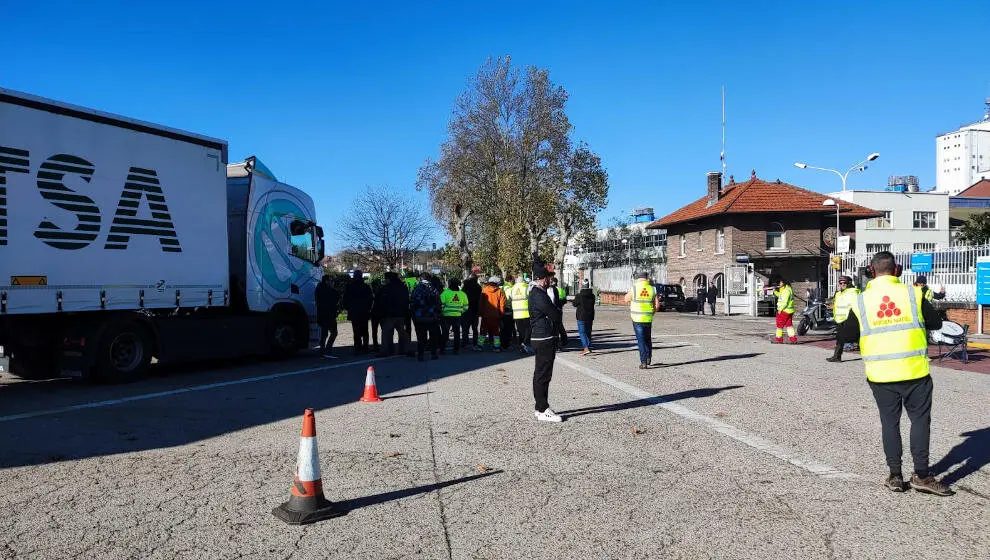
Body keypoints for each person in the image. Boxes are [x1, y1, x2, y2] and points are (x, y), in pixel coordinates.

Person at [837, 251, 952, 496]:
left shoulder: (861, 300)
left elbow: (845, 336)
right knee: (920, 422)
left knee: (890, 423)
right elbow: (936, 323)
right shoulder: (914, 294)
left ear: (871, 270)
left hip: (881, 375)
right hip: (915, 372)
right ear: (897, 270)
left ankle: (895, 476)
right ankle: (922, 475)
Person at [529, 265, 563, 422]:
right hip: (543, 338)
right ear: (542, 279)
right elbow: (554, 314)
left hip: (543, 337)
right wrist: (557, 310)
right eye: (548, 277)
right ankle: (543, 409)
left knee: (541, 374)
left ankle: (539, 407)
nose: (550, 280)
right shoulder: (538, 295)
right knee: (543, 375)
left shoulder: (538, 293)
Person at [624, 271, 660, 369]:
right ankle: (648, 357)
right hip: (648, 318)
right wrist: (651, 313)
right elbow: (657, 306)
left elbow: (626, 299)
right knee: (648, 338)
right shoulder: (653, 289)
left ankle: (643, 362)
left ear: (638, 278)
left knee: (641, 341)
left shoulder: (635, 288)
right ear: (647, 278)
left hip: (637, 318)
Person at [378, 272, 412, 357]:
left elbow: (384, 301)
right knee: (402, 333)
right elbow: (406, 299)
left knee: (386, 333)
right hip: (401, 314)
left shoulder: (387, 288)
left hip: (390, 314)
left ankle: (385, 351)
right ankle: (406, 349)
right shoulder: (403, 287)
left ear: (388, 279)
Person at [410, 274, 442, 361]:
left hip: (420, 317)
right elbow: (439, 303)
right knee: (433, 336)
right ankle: (433, 354)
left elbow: (412, 303)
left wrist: (414, 314)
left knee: (421, 337)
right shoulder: (434, 289)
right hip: (432, 317)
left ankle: (420, 355)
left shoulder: (416, 289)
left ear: (421, 279)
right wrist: (438, 314)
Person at [827, 276, 859, 363]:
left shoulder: (853, 292)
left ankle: (837, 356)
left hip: (849, 317)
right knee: (840, 338)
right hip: (840, 318)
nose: (842, 284)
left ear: (848, 283)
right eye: (840, 283)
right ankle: (836, 356)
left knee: (854, 337)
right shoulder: (838, 293)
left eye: (844, 283)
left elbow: (856, 305)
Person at [342, 269, 373, 355]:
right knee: (365, 330)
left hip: (354, 312)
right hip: (364, 312)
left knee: (356, 330)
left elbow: (345, 299)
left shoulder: (350, 286)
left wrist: (348, 308)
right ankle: (365, 346)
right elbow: (370, 299)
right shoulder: (366, 287)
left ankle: (357, 346)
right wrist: (368, 308)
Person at [439, 277, 467, 355]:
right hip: (457, 316)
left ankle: (442, 349)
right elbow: (466, 306)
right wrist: (460, 312)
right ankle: (456, 350)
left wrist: (443, 312)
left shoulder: (445, 293)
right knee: (457, 333)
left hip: (446, 316)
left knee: (445, 333)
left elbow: (441, 305)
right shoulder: (462, 294)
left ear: (449, 284)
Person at [315, 274, 340, 358]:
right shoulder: (330, 291)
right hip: (329, 315)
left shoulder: (318, 289)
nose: (331, 282)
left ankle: (322, 350)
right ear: (327, 281)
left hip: (321, 314)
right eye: (330, 281)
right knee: (334, 332)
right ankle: (328, 348)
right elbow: (336, 296)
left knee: (324, 333)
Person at [478, 276, 506, 352]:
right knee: (496, 332)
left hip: (485, 315)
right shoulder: (500, 291)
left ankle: (479, 346)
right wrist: (501, 313)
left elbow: (481, 303)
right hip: (495, 315)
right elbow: (502, 304)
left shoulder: (484, 290)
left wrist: (480, 313)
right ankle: (496, 347)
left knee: (483, 331)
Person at [509, 275, 533, 354]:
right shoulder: (526, 287)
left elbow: (510, 299)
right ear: (523, 281)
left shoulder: (512, 288)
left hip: (516, 314)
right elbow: (531, 298)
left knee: (520, 330)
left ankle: (521, 344)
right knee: (528, 330)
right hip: (526, 313)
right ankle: (526, 344)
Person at [571, 278, 596, 355]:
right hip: (590, 316)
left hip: (581, 316)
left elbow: (574, 304)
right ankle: (588, 346)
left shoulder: (579, 295)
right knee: (588, 332)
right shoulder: (592, 295)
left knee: (582, 332)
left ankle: (585, 348)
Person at [461, 267, 482, 349]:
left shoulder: (465, 286)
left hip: (466, 309)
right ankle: (475, 342)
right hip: (475, 309)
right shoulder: (478, 287)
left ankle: (465, 342)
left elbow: (462, 295)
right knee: (475, 328)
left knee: (465, 328)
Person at [772, 276, 797, 344]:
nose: (779, 284)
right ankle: (793, 339)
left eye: (780, 282)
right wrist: (775, 292)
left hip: (784, 311)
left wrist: (780, 309)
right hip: (789, 311)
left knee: (779, 326)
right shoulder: (788, 289)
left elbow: (784, 302)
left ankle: (779, 340)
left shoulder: (786, 291)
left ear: (783, 282)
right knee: (789, 326)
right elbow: (780, 296)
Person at [549, 275, 568, 347]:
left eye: (551, 281)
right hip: (559, 309)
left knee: (556, 326)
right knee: (559, 325)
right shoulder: (561, 289)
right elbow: (564, 300)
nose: (550, 283)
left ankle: (558, 341)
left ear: (554, 282)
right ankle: (564, 339)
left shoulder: (553, 289)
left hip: (555, 309)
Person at [500, 274, 516, 350]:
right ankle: (506, 344)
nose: (514, 281)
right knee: (508, 328)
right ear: (510, 280)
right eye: (513, 279)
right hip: (508, 309)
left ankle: (503, 343)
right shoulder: (508, 288)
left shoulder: (503, 287)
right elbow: (511, 299)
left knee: (504, 328)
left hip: (504, 309)